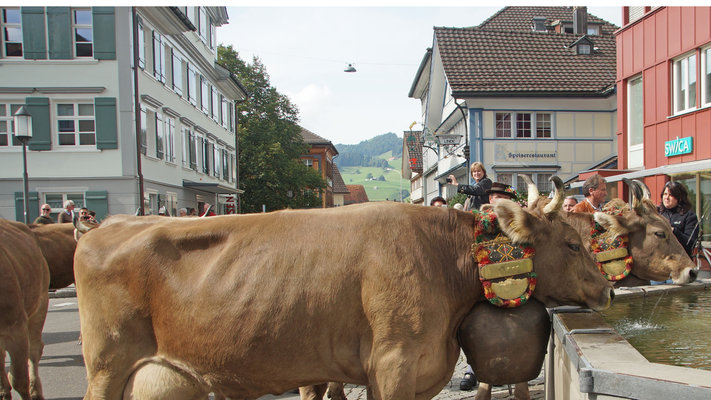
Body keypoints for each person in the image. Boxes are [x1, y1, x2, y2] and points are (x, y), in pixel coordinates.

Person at [657, 181, 698, 257]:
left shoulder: (689, 216)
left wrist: (673, 231)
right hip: (661, 261)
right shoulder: (658, 214)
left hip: (681, 262)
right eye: (665, 194)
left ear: (679, 198)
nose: (666, 197)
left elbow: (690, 244)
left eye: (670, 195)